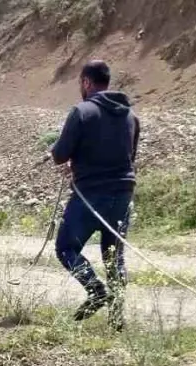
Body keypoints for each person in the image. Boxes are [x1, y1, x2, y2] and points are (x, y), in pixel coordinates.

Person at [48, 60, 141, 329]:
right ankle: (117, 319)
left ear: (87, 82)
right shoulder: (131, 116)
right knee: (114, 256)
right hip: (123, 193)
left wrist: (67, 157)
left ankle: (95, 290)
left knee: (66, 247)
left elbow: (59, 154)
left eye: (81, 83)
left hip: (90, 195)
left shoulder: (81, 112)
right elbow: (130, 157)